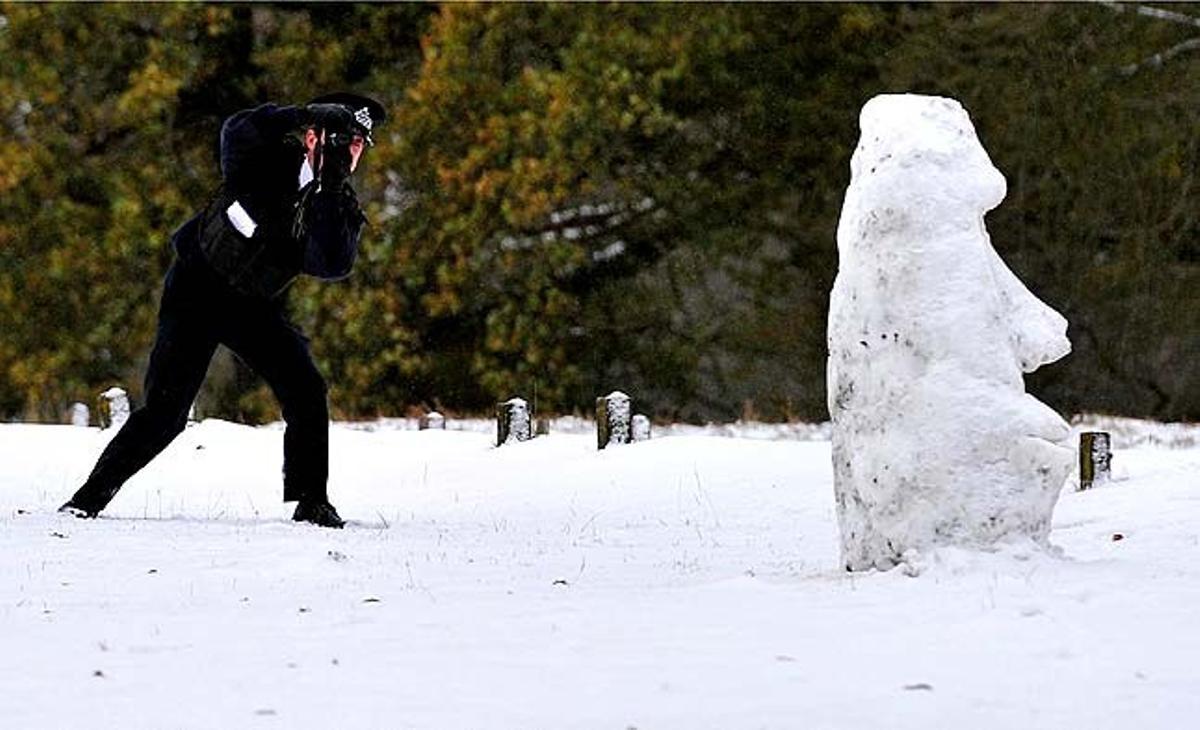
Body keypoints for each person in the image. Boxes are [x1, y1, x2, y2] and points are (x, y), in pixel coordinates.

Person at [59, 92, 386, 528]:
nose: (348, 152)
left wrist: (326, 191)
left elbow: (329, 264)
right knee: (166, 413)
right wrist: (299, 112)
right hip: (195, 288)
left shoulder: (337, 203)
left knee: (306, 389)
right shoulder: (266, 155)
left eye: (357, 145)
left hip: (251, 305)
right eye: (338, 139)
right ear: (311, 138)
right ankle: (87, 499)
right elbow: (236, 128)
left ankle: (312, 500)